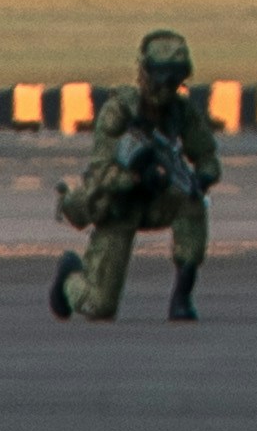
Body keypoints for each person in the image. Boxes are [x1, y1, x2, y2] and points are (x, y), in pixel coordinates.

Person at [52, 28, 224, 323]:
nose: (167, 89)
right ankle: (69, 278)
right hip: (119, 207)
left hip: (156, 199)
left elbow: (207, 155)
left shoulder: (180, 113)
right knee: (99, 306)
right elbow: (102, 172)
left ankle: (182, 295)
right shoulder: (120, 111)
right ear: (146, 75)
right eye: (161, 79)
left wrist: (203, 178)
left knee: (192, 202)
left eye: (175, 80)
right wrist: (137, 177)